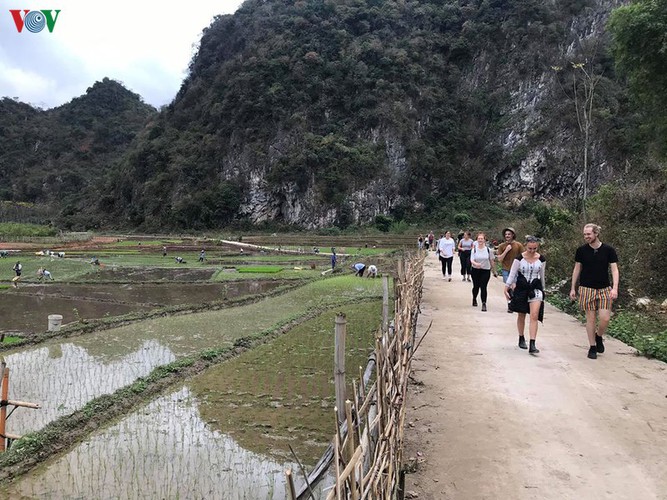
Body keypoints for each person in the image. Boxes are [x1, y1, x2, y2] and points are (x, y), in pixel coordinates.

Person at [569, 223, 619, 360]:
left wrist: (615, 288)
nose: (586, 237)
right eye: (584, 234)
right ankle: (592, 347)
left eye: (589, 234)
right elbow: (577, 269)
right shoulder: (581, 250)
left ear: (596, 233)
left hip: (604, 288)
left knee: (605, 318)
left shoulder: (608, 250)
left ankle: (599, 336)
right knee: (590, 319)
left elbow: (614, 269)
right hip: (586, 288)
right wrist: (573, 287)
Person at [505, 236, 545, 354]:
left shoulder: (541, 259)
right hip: (522, 288)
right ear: (526, 246)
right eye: (530, 248)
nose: (532, 251)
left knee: (534, 315)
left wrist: (543, 290)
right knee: (521, 314)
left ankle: (533, 343)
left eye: (534, 248)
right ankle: (521, 337)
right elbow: (512, 274)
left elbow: (542, 276)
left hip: (535, 288)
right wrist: (506, 287)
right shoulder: (519, 259)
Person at [496, 227, 525, 313]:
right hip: (506, 269)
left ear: (513, 235)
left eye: (509, 234)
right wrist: (506, 251)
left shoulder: (518, 245)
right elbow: (499, 259)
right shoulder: (502, 246)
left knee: (514, 287)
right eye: (506, 234)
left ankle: (513, 303)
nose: (507, 236)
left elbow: (523, 257)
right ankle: (510, 304)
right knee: (508, 287)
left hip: (516, 270)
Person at [470, 233, 497, 311]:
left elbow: (491, 260)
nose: (480, 240)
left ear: (484, 240)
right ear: (477, 240)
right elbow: (471, 260)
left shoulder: (488, 250)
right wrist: (476, 264)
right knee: (476, 286)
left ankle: (484, 303)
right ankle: (474, 298)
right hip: (475, 270)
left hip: (485, 270)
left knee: (483, 287)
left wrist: (494, 271)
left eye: (482, 238)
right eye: (479, 238)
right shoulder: (474, 250)